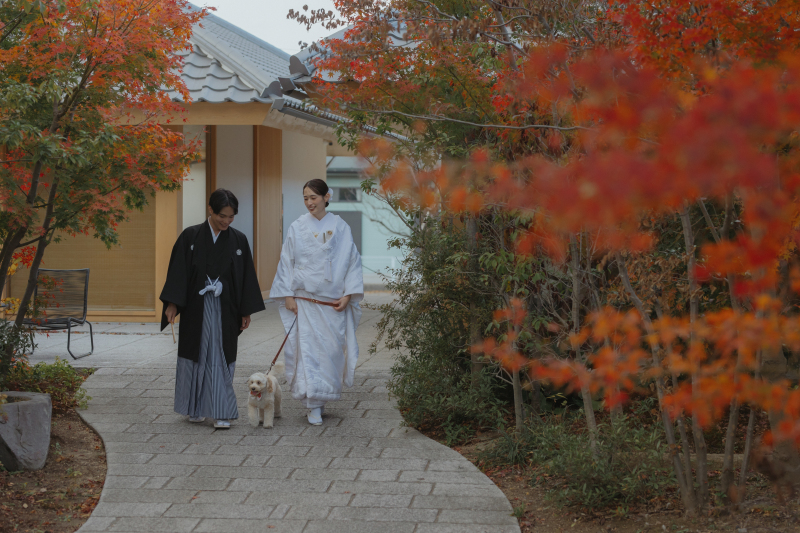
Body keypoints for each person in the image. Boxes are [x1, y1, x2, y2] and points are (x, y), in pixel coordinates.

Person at [160, 189, 265, 429]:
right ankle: (194, 408)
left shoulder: (238, 239)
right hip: (197, 306)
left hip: (225, 307)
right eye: (222, 216)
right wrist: (173, 304)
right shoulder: (191, 236)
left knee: (218, 354)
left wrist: (245, 310)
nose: (226, 221)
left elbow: (245, 275)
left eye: (231, 217)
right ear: (210, 210)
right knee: (195, 355)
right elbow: (178, 272)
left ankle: (221, 412)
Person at [270, 179, 364, 425]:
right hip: (305, 301)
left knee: (331, 352)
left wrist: (348, 294)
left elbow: (353, 261)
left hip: (332, 303)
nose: (310, 202)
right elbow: (286, 261)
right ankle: (313, 403)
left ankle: (321, 399)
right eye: (305, 198)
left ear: (326, 197)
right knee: (307, 352)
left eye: (313, 197)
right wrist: (288, 295)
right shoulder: (297, 227)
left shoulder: (341, 227)